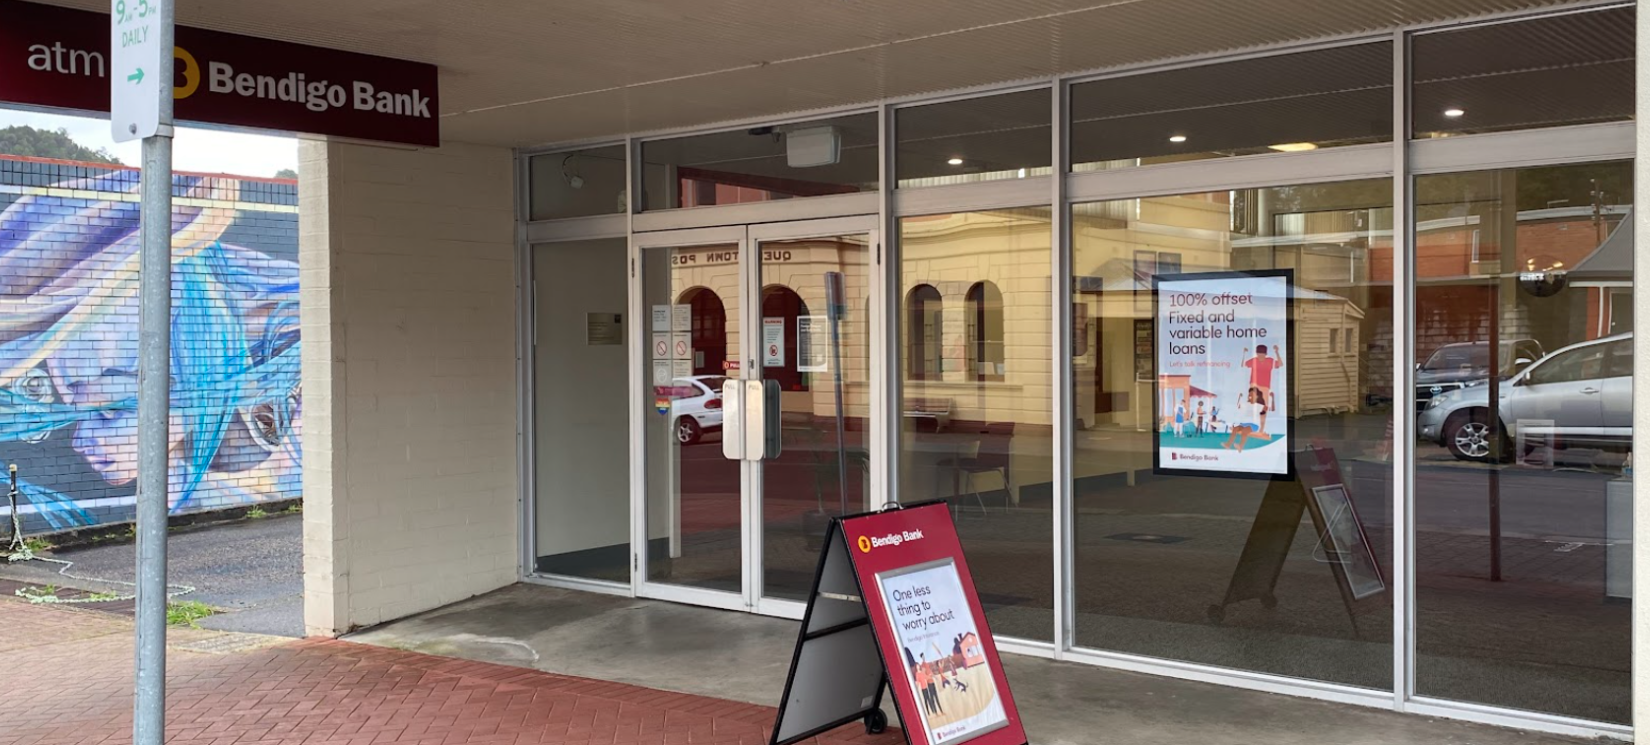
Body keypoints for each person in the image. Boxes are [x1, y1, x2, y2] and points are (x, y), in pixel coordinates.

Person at [1242, 344, 1283, 412]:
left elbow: (1280, 364)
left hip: (1265, 386)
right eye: (1259, 354)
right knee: (1253, 403)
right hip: (1254, 384)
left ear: (1266, 354)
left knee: (1264, 405)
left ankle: (1262, 419)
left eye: (1262, 354)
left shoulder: (1270, 361)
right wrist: (1244, 354)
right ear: (1257, 353)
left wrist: (1276, 352)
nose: (1260, 356)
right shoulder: (1254, 360)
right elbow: (1243, 365)